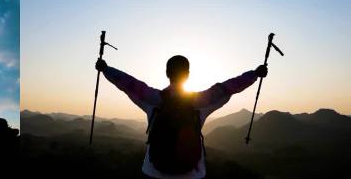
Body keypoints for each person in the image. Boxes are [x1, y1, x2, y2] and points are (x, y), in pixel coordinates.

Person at [95, 55, 268, 179]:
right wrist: (254, 74)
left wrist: (106, 69)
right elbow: (227, 88)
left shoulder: (152, 100)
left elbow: (129, 85)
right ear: (188, 74)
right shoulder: (202, 102)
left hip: (153, 172)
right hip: (193, 173)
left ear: (167, 73)